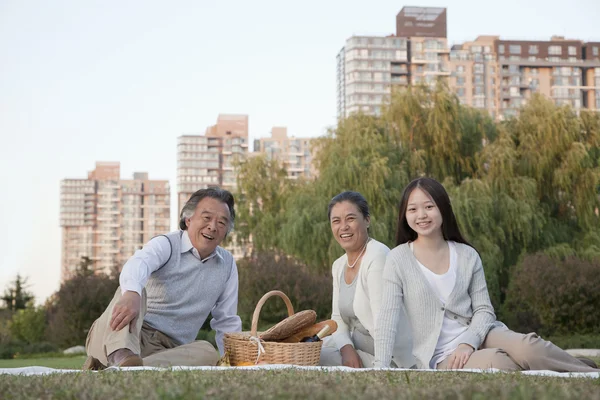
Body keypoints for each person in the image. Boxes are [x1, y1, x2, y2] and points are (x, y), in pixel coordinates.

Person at [375, 177, 599, 372]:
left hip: (482, 334)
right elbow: (387, 318)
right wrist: (381, 368)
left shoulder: (467, 254)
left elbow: (484, 310)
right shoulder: (398, 259)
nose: (421, 215)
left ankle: (585, 371)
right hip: (443, 355)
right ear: (405, 215)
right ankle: (560, 365)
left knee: (529, 347)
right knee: (499, 363)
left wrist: (468, 342)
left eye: (429, 206)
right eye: (412, 209)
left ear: (443, 208)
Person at [83, 187, 242, 369]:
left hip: (170, 350)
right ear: (188, 219)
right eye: (206, 218)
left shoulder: (227, 265)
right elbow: (138, 263)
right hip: (125, 334)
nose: (213, 226)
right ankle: (120, 355)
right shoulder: (166, 244)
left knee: (207, 352)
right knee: (133, 289)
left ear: (226, 231)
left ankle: (121, 369)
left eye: (222, 223)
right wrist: (132, 294)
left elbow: (227, 320)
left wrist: (234, 362)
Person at [319, 191, 415, 368]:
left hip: (389, 357)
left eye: (350, 219)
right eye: (336, 221)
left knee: (313, 359)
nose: (343, 227)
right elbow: (337, 318)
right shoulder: (339, 265)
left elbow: (383, 321)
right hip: (356, 347)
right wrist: (347, 349)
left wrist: (380, 368)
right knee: (308, 349)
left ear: (367, 220)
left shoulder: (378, 256)